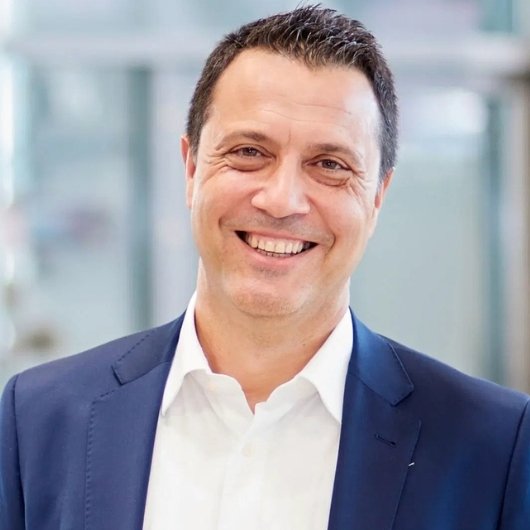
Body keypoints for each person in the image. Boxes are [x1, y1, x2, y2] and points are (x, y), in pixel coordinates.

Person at [1, 5, 529, 530]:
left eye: (330, 165)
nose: (281, 200)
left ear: (377, 197)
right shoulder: (38, 421)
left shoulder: (492, 447)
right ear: (191, 168)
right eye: (250, 152)